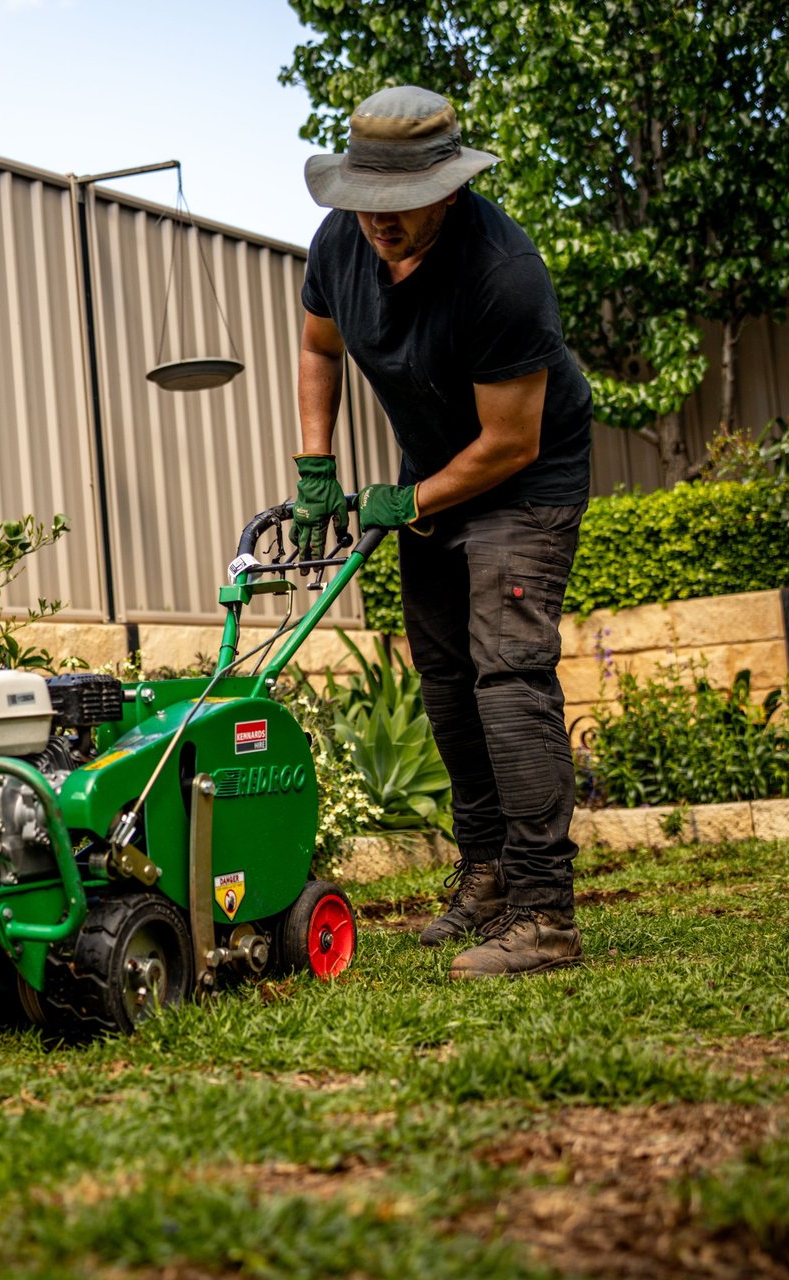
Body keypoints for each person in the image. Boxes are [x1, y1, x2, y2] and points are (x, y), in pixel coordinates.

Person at [291, 85, 593, 979]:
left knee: (508, 676)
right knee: (447, 682)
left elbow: (512, 441)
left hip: (521, 483)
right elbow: (318, 346)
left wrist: (406, 502)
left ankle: (545, 915)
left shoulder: (503, 271)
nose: (377, 223)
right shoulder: (341, 241)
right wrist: (318, 463)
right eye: (365, 202)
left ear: (449, 190)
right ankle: (490, 875)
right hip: (430, 480)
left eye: (397, 206)